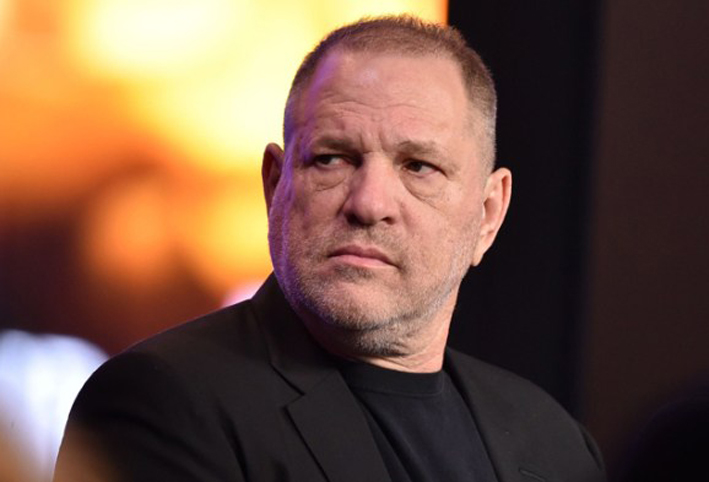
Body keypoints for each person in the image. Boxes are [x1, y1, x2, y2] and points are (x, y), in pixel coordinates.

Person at [55, 15, 605, 482]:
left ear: (487, 215)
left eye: (419, 166)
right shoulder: (162, 402)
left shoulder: (554, 443)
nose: (369, 203)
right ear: (275, 185)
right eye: (332, 159)